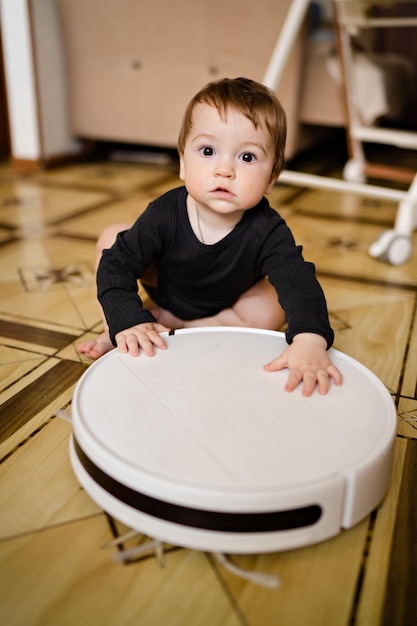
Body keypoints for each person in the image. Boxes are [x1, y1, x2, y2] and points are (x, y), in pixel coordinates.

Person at [78, 77, 342, 396]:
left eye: (247, 157)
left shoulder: (268, 229)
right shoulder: (165, 213)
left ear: (271, 178)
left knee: (272, 307)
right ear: (182, 163)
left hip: (228, 302)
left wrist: (310, 339)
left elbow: (298, 282)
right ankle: (122, 330)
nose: (224, 170)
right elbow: (117, 265)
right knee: (113, 239)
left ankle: (182, 327)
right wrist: (125, 318)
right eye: (207, 151)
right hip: (167, 287)